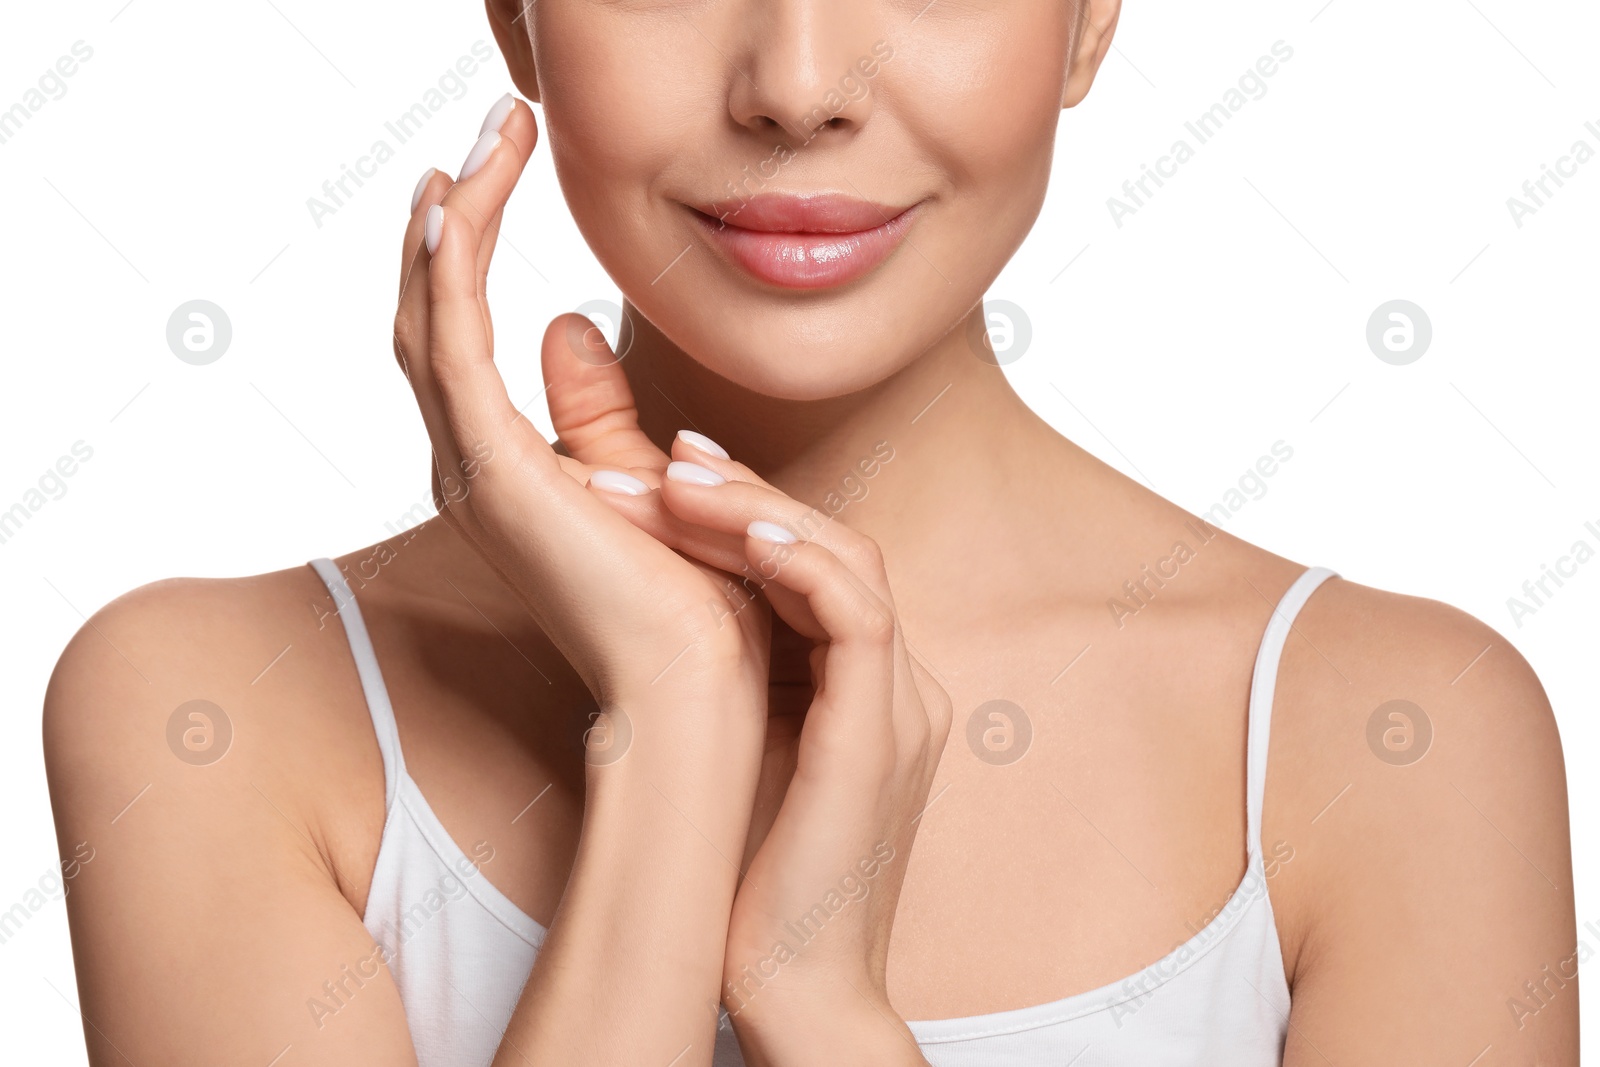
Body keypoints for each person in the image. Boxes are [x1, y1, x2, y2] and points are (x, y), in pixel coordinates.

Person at [43, 1, 1578, 1064]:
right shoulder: (213, 709)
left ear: (1090, 20)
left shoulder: (1396, 738)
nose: (795, 81)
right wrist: (673, 738)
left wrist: (824, 1012)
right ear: (514, 16)